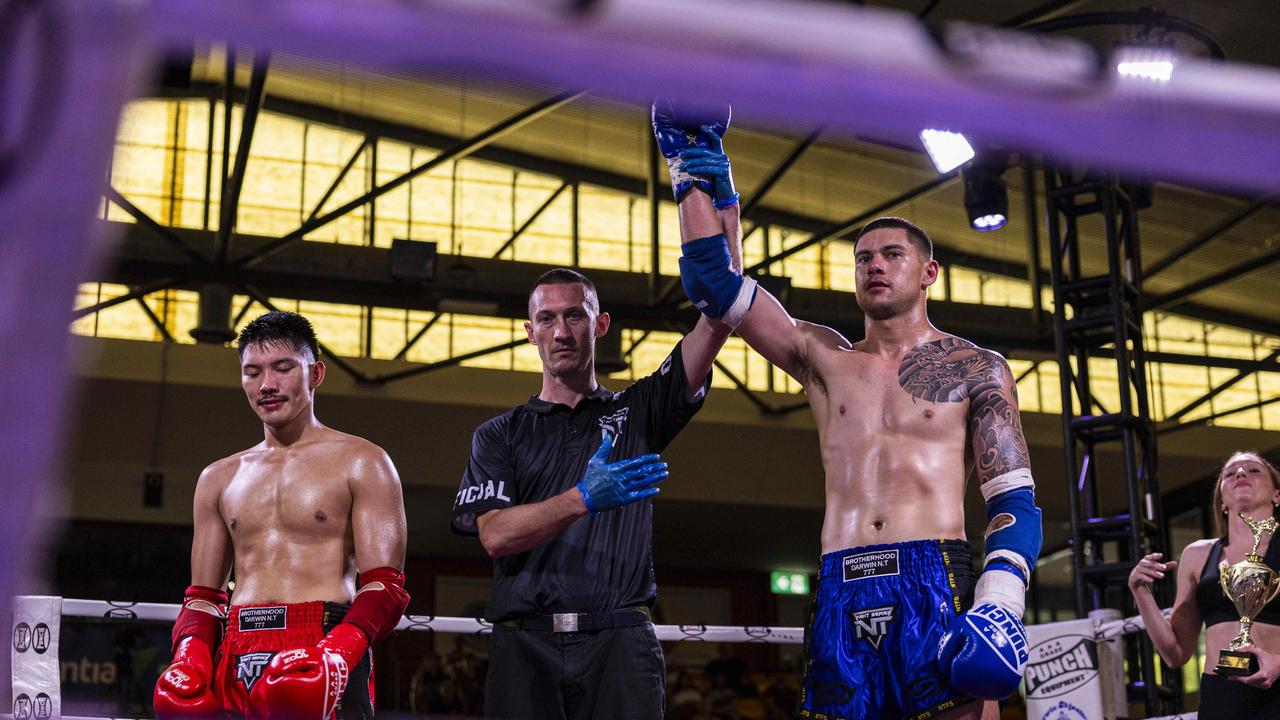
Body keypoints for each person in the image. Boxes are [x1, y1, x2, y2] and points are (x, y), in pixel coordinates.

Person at [653, 100, 1042, 719]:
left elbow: (1014, 500)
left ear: (929, 272)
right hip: (841, 578)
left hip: (934, 577)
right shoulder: (824, 359)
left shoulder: (976, 367)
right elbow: (715, 287)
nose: (875, 266)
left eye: (892, 254)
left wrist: (1000, 598)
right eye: (864, 258)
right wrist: (696, 178)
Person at [450, 264, 734, 719]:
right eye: (547, 319)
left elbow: (719, 317)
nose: (561, 332)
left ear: (600, 324)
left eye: (575, 316)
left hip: (618, 642)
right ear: (530, 332)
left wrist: (722, 216)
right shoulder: (499, 435)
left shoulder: (639, 411)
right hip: (525, 646)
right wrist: (583, 497)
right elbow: (496, 536)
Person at [153, 311, 410, 720]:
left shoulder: (362, 462)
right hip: (238, 647)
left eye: (283, 368)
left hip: (323, 641)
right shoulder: (218, 477)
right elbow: (203, 598)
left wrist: (337, 654)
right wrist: (190, 655)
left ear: (316, 374)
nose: (266, 385)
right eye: (252, 372)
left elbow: (385, 587)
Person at [1129, 451, 1280, 717]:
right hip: (1221, 698)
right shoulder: (1197, 555)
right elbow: (1175, 653)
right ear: (1222, 500)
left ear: (1276, 495)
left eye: (1254, 470)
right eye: (1230, 474)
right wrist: (1140, 590)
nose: (1241, 474)